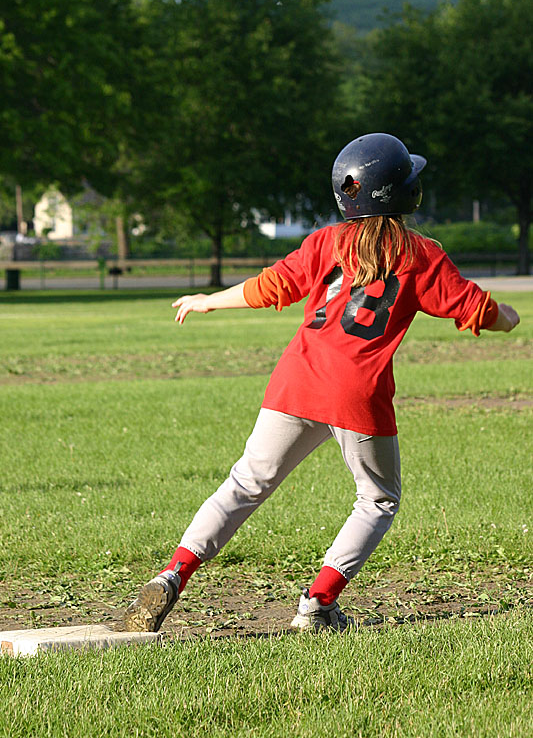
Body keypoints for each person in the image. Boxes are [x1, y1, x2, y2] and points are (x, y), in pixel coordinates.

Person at [122, 133, 520, 634]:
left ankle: (173, 572)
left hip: (296, 379)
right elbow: (477, 310)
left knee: (245, 483)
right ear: (405, 194)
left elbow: (270, 286)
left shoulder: (325, 241)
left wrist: (208, 300)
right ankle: (317, 606)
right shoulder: (420, 255)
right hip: (358, 392)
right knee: (377, 499)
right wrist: (510, 318)